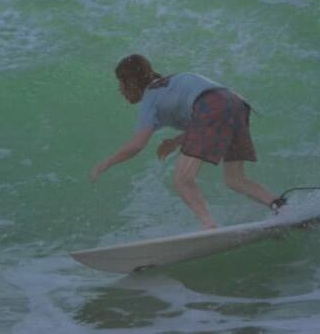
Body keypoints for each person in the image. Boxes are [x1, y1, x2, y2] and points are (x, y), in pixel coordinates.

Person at [90, 53, 281, 230]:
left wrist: (104, 164)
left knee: (182, 180)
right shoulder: (175, 81)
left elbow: (137, 145)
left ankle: (209, 226)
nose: (120, 90)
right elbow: (208, 120)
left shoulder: (150, 97)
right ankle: (280, 205)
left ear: (130, 83)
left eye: (121, 84)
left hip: (210, 106)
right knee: (235, 179)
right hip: (236, 104)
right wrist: (174, 142)